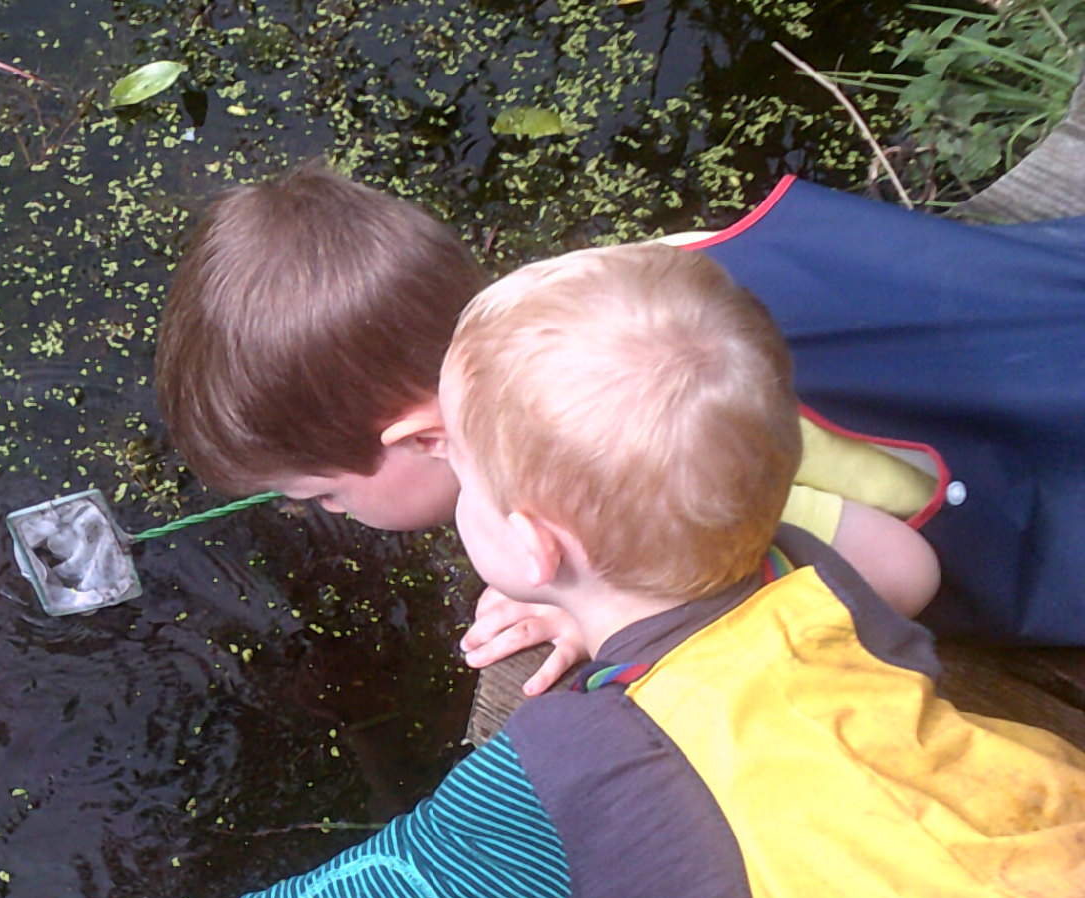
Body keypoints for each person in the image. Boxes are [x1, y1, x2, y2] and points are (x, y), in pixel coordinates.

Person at [37, 244, 1085, 898]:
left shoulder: (570, 774)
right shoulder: (813, 584)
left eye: (469, 473)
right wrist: (601, 611)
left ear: (535, 547)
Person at [156, 163, 1083, 676]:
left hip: (1031, 498)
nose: (319, 515)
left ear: (421, 437)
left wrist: (611, 602)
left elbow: (902, 573)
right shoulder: (585, 299)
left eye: (321, 495)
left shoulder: (630, 452)